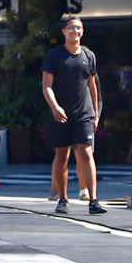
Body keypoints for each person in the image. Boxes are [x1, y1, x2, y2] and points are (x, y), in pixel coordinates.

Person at [42, 15, 104, 215]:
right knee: (62, 155)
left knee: (86, 152)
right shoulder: (54, 56)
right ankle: (62, 199)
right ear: (64, 32)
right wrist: (55, 107)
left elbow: (92, 86)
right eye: (71, 28)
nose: (75, 32)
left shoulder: (89, 55)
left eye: (78, 28)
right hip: (61, 114)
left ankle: (93, 200)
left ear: (82, 32)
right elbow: (46, 86)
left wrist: (95, 114)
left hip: (84, 113)